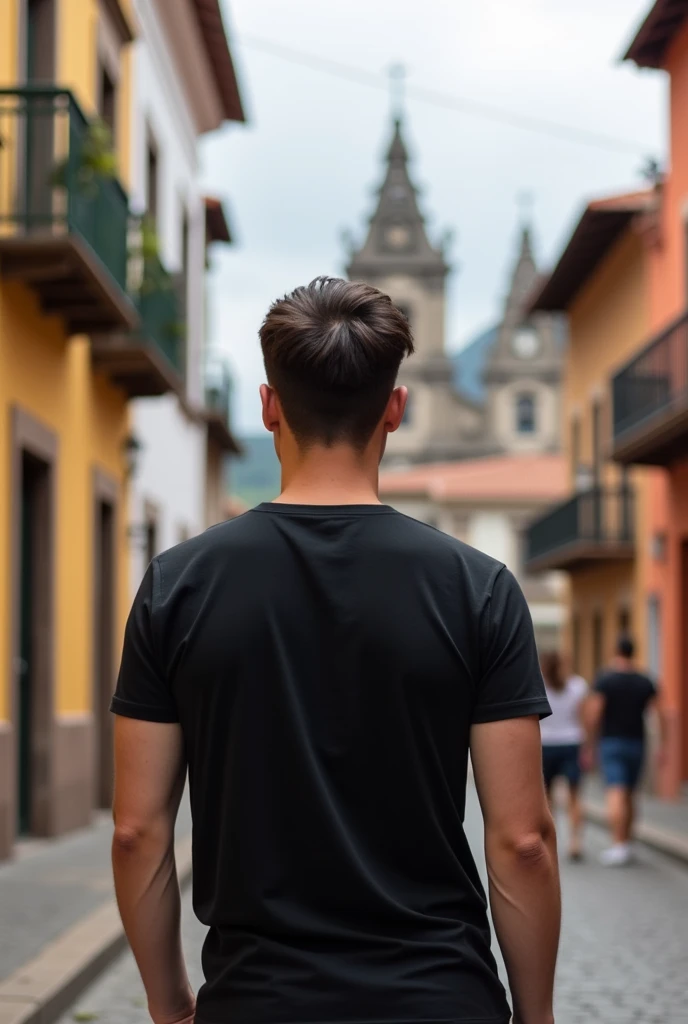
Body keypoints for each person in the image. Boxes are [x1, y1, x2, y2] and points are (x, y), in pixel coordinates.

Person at [111, 277, 561, 1024]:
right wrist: (536, 1015)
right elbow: (521, 841)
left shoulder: (176, 586)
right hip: (440, 999)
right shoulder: (477, 588)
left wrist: (169, 1004)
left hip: (256, 1001)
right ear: (395, 407)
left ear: (267, 407)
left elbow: (135, 832)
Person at [588, 635, 666, 867]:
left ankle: (618, 843)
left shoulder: (605, 679)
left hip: (611, 742)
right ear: (634, 652)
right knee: (631, 794)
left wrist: (589, 744)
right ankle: (627, 842)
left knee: (615, 792)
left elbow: (594, 713)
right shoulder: (645, 680)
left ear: (616, 651)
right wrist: (663, 745)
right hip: (637, 743)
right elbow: (659, 714)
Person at [539, 652, 588, 861]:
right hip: (571, 743)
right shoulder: (578, 686)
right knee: (574, 795)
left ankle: (551, 842)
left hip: (545, 744)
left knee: (547, 798)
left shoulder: (538, 686)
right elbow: (583, 718)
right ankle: (575, 842)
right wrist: (589, 746)